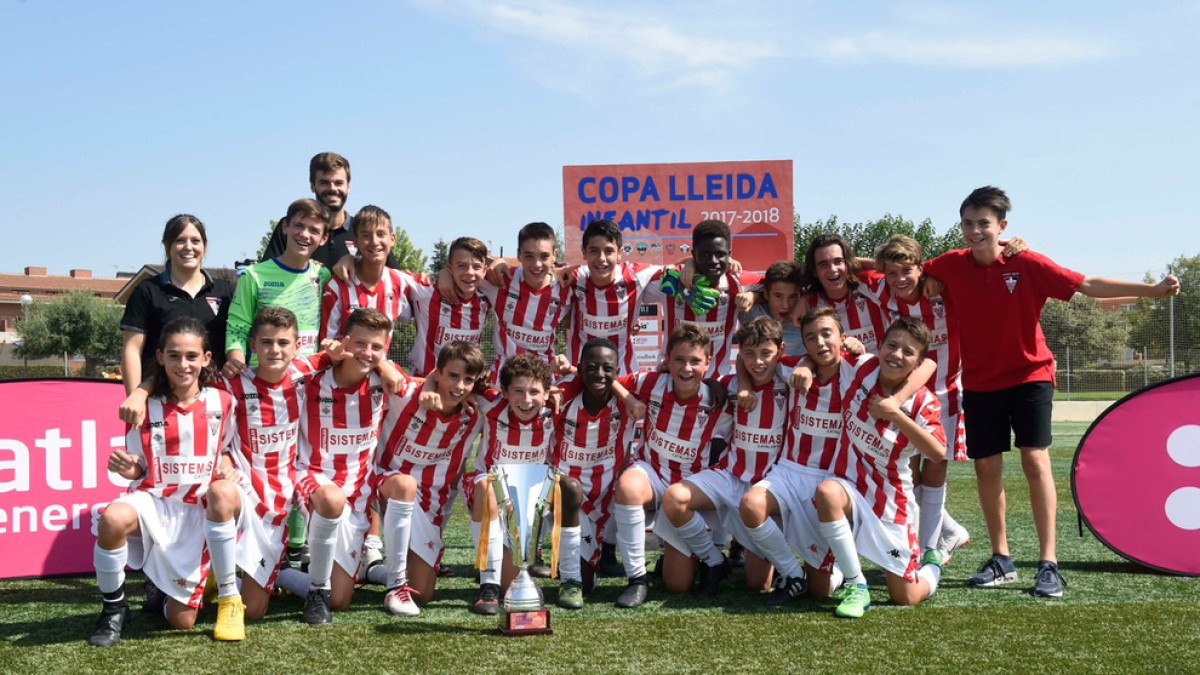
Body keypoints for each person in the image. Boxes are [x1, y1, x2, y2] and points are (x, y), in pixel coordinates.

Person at [922, 186, 1180, 598]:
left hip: (1030, 376)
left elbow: (1087, 283)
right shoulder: (950, 264)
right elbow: (896, 268)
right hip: (980, 382)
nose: (974, 231)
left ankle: (1047, 563)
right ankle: (1001, 560)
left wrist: (1152, 290)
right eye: (967, 223)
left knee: (1035, 461)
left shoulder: (1027, 262)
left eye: (983, 224)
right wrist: (926, 277)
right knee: (987, 469)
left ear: (1002, 226)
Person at [88, 317, 237, 647]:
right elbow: (138, 466)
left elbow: (228, 448)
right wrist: (129, 469)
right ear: (159, 357)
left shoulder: (223, 403)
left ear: (206, 359)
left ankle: (179, 580)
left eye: (191, 356)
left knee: (180, 622)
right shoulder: (143, 406)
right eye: (174, 355)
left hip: (197, 512)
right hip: (154, 502)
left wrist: (228, 464)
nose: (183, 365)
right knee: (112, 518)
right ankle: (113, 609)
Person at [812, 317, 948, 619]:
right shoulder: (864, 367)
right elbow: (823, 353)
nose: (897, 355)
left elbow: (938, 452)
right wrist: (803, 367)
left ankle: (934, 563)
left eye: (908, 352)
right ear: (880, 346)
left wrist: (896, 414)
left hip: (890, 505)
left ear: (917, 362)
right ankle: (856, 584)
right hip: (849, 487)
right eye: (892, 345)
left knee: (906, 597)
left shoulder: (922, 402)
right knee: (827, 493)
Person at [274, 309, 398, 624]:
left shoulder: (382, 381)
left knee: (341, 598)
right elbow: (280, 371)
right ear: (343, 342)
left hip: (357, 491)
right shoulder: (311, 379)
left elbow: (416, 385)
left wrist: (383, 364)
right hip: (313, 479)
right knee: (331, 499)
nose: (367, 353)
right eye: (359, 344)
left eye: (376, 347)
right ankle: (316, 593)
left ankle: (280, 573)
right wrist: (327, 357)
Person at [657, 317, 796, 597]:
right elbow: (694, 379)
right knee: (675, 499)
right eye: (749, 354)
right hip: (729, 476)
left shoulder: (792, 381)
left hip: (768, 487)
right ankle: (712, 559)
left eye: (765, 354)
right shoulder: (726, 386)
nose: (757, 362)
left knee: (758, 585)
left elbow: (817, 362)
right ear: (739, 353)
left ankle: (777, 561)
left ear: (780, 351)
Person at [610, 323, 733, 608]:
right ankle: (636, 579)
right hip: (653, 471)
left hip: (690, 484)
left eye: (695, 361)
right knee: (628, 486)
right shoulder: (651, 382)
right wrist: (627, 397)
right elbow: (611, 378)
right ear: (667, 359)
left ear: (708, 363)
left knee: (678, 586)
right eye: (679, 359)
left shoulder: (719, 397)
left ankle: (713, 562)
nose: (686, 368)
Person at [869, 234, 972, 563]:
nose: (899, 280)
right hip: (908, 393)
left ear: (921, 268)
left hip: (946, 391)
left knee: (935, 467)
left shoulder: (946, 291)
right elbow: (851, 266)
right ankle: (945, 533)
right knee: (907, 469)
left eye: (907, 271)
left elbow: (972, 263)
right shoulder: (881, 288)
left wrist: (934, 275)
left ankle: (929, 548)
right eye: (892, 273)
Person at [368, 341, 487, 616]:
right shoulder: (405, 392)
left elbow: (518, 395)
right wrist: (383, 363)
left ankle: (372, 571)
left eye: (468, 380)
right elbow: (363, 357)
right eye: (453, 376)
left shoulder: (477, 411)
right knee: (404, 484)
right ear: (438, 373)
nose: (459, 386)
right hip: (386, 484)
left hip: (430, 502)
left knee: (423, 592)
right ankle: (394, 585)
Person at [465, 354, 585, 613]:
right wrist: (478, 382)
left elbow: (587, 376)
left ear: (547, 393)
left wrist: (570, 368)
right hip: (491, 492)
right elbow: (457, 383)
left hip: (529, 499)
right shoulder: (491, 403)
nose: (527, 399)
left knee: (571, 488)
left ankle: (571, 580)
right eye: (518, 391)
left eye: (534, 391)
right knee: (487, 486)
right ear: (505, 392)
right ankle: (487, 587)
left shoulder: (554, 405)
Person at [551, 338, 638, 604]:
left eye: (607, 369)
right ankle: (568, 579)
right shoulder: (562, 396)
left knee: (588, 585)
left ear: (617, 372)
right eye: (591, 367)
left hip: (604, 498)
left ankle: (589, 561)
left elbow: (672, 377)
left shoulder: (629, 396)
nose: (599, 374)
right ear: (579, 368)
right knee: (571, 489)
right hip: (563, 495)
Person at [120, 214, 233, 394]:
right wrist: (135, 397)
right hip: (160, 396)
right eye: (180, 240)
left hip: (214, 397)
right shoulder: (147, 291)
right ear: (167, 246)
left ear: (205, 246)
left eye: (195, 241)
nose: (188, 247)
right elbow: (132, 349)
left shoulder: (224, 292)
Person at [226, 198, 333, 372]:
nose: (305, 234)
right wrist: (236, 365)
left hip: (308, 382)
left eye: (314, 230)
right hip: (262, 381)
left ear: (323, 238)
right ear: (285, 227)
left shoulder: (323, 275)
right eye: (298, 225)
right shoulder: (253, 275)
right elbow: (237, 328)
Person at [260, 152, 401, 269]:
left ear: (348, 187)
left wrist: (353, 260)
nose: (333, 188)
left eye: (339, 183)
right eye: (324, 182)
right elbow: (267, 274)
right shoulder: (292, 228)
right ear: (312, 186)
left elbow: (393, 277)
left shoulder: (363, 231)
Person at [561, 219, 664, 374]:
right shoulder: (575, 278)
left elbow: (678, 273)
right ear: (584, 252)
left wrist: (690, 264)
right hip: (578, 373)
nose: (601, 258)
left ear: (620, 253)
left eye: (609, 251)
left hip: (623, 374)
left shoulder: (635, 276)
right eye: (594, 251)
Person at [477, 222, 573, 381]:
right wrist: (445, 273)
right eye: (529, 256)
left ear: (554, 255)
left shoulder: (566, 288)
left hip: (544, 381)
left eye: (544, 256)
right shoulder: (501, 280)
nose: (537, 264)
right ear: (519, 255)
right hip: (503, 380)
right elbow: (465, 259)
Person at [406, 237, 493, 377]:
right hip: (424, 384)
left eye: (476, 267)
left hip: (463, 390)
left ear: (484, 271)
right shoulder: (427, 291)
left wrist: (499, 262)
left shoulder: (487, 297)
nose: (470, 272)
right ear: (450, 268)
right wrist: (440, 273)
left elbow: (506, 268)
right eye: (461, 265)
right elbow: (391, 273)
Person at [739, 261, 806, 357]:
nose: (785, 305)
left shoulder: (809, 314)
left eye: (792, 297)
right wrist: (754, 296)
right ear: (766, 294)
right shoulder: (748, 309)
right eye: (778, 296)